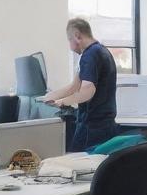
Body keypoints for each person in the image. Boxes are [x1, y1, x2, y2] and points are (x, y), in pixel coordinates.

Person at [44, 18, 118, 152]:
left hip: (92, 127)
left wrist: (62, 102)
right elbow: (74, 87)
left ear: (77, 36)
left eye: (69, 40)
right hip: (105, 125)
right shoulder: (101, 51)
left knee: (78, 160)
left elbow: (87, 91)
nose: (70, 47)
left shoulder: (90, 55)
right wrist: (49, 96)